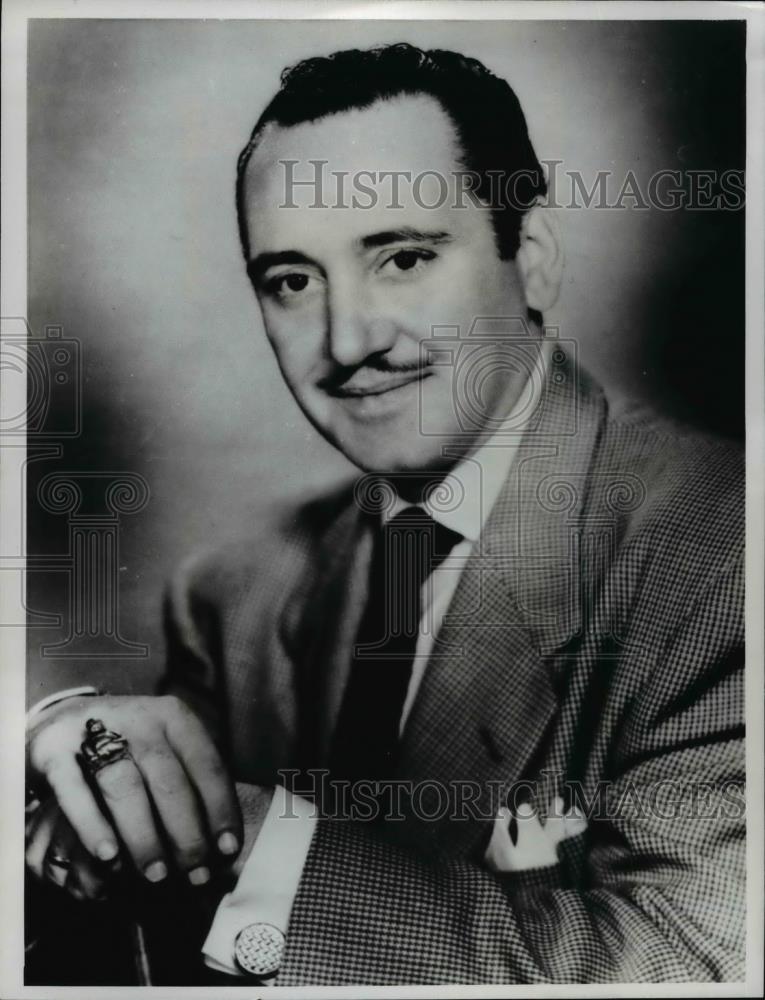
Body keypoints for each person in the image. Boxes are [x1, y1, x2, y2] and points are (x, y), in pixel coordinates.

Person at [25, 44, 744, 985]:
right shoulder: (235, 595)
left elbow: (696, 964)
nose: (347, 340)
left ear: (528, 259)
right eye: (291, 280)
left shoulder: (724, 552)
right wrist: (71, 749)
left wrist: (261, 844)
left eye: (402, 257)